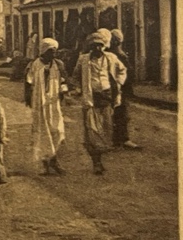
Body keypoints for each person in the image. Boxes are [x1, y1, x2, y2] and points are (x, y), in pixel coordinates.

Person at [72, 31, 127, 175]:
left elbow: (122, 70)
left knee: (106, 129)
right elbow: (76, 76)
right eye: (94, 46)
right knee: (92, 131)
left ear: (104, 46)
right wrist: (79, 88)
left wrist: (119, 83)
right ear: (90, 46)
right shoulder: (83, 60)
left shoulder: (111, 58)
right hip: (91, 99)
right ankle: (96, 162)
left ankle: (100, 157)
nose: (97, 49)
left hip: (106, 98)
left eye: (100, 46)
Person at [24, 37, 69, 175]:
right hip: (39, 102)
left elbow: (63, 81)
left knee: (57, 130)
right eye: (50, 51)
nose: (53, 54)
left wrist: (64, 92)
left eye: (55, 51)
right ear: (44, 51)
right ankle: (47, 163)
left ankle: (53, 159)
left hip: (54, 102)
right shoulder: (34, 65)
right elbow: (28, 84)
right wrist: (29, 100)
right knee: (43, 132)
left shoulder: (59, 65)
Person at [109, 28, 140, 150]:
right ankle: (122, 139)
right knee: (121, 114)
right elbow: (129, 73)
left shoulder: (110, 54)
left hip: (114, 88)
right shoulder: (119, 55)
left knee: (116, 114)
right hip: (120, 88)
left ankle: (116, 139)